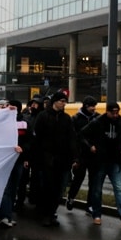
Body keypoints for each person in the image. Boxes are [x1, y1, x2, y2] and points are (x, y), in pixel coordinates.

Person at [80, 101, 121, 226]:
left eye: (117, 112)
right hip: (100, 160)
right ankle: (97, 214)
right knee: (97, 189)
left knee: (119, 188)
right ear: (107, 111)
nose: (116, 115)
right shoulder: (97, 122)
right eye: (113, 113)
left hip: (115, 160)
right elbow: (82, 134)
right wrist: (90, 146)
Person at [31, 92, 77, 227]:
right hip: (46, 159)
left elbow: (71, 138)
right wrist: (37, 157)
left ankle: (52, 213)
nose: (64, 103)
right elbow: (36, 138)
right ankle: (46, 214)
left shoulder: (66, 119)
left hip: (62, 160)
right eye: (62, 101)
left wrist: (74, 157)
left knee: (59, 189)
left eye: (65, 101)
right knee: (47, 188)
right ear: (55, 101)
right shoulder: (43, 116)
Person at [65, 97, 99, 211]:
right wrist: (74, 158)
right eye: (92, 106)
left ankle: (89, 204)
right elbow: (74, 138)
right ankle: (71, 197)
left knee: (93, 181)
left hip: (94, 154)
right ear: (85, 106)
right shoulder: (76, 119)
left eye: (95, 106)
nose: (94, 108)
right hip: (81, 154)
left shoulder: (97, 117)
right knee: (78, 178)